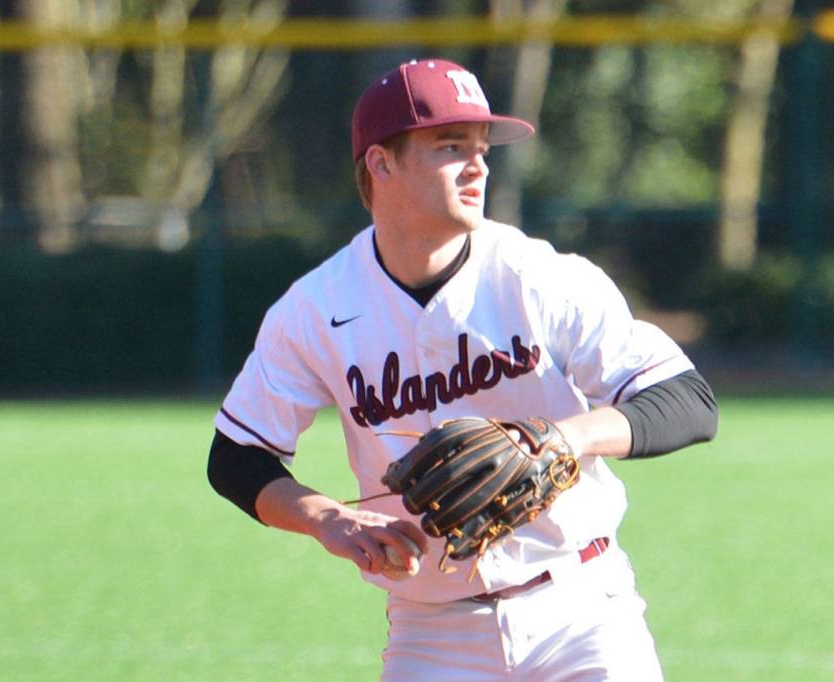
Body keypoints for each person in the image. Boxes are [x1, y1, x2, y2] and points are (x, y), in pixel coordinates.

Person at [208, 57, 718, 680]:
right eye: (451, 146)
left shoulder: (540, 277)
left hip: (582, 610)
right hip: (433, 631)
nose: (478, 164)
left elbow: (686, 400)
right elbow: (236, 457)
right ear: (381, 162)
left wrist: (563, 437)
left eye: (482, 147)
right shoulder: (316, 310)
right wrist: (327, 519)